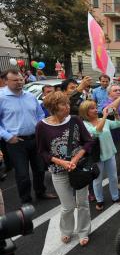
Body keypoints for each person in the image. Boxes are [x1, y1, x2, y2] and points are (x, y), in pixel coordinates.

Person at [35, 91, 93, 246]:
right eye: (63, 104)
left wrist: (75, 159)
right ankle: (66, 231)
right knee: (67, 206)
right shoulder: (42, 126)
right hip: (58, 171)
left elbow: (88, 142)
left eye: (68, 103)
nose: (68, 107)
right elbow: (42, 151)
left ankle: (83, 231)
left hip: (79, 168)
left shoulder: (75, 120)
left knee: (83, 203)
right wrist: (61, 162)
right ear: (53, 107)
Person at [0, 69, 57, 204]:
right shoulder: (1, 98)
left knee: (39, 169)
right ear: (6, 81)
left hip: (35, 139)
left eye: (21, 79)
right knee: (23, 174)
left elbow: (40, 115)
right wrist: (8, 136)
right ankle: (25, 200)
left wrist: (40, 129)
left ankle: (40, 192)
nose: (19, 82)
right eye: (15, 80)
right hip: (15, 142)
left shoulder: (30, 96)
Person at [79, 100, 120, 211]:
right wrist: (104, 116)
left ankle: (115, 197)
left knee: (113, 177)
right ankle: (100, 200)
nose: (95, 110)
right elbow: (96, 132)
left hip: (109, 154)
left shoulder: (103, 121)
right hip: (96, 156)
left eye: (95, 107)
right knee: (97, 180)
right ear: (85, 112)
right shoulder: (85, 125)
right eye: (92, 108)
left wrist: (116, 114)